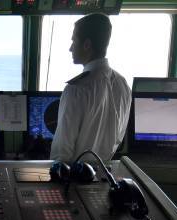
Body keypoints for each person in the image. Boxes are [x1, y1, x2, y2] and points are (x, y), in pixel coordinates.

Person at [50, 13, 131, 163]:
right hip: (102, 175)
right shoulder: (123, 84)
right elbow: (118, 138)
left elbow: (62, 151)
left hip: (72, 178)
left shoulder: (76, 89)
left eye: (74, 41)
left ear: (87, 45)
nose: (70, 48)